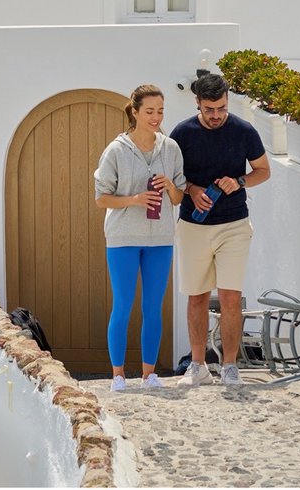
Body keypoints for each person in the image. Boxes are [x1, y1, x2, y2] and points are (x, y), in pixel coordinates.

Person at [170, 72, 271, 387]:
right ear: (197, 102)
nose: (216, 115)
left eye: (222, 108)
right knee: (197, 296)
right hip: (193, 226)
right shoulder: (181, 134)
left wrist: (239, 180)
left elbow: (263, 171)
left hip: (234, 225)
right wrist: (192, 190)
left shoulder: (244, 131)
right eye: (210, 109)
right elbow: (172, 177)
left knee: (230, 297)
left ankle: (229, 366)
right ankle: (197, 365)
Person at [94, 84, 185, 391]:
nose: (156, 117)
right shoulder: (116, 150)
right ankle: (118, 375)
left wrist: (170, 186)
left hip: (160, 237)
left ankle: (149, 375)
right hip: (122, 238)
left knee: (153, 306)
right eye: (149, 111)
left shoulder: (170, 149)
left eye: (160, 111)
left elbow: (179, 197)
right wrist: (133, 200)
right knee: (122, 304)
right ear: (134, 112)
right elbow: (101, 198)